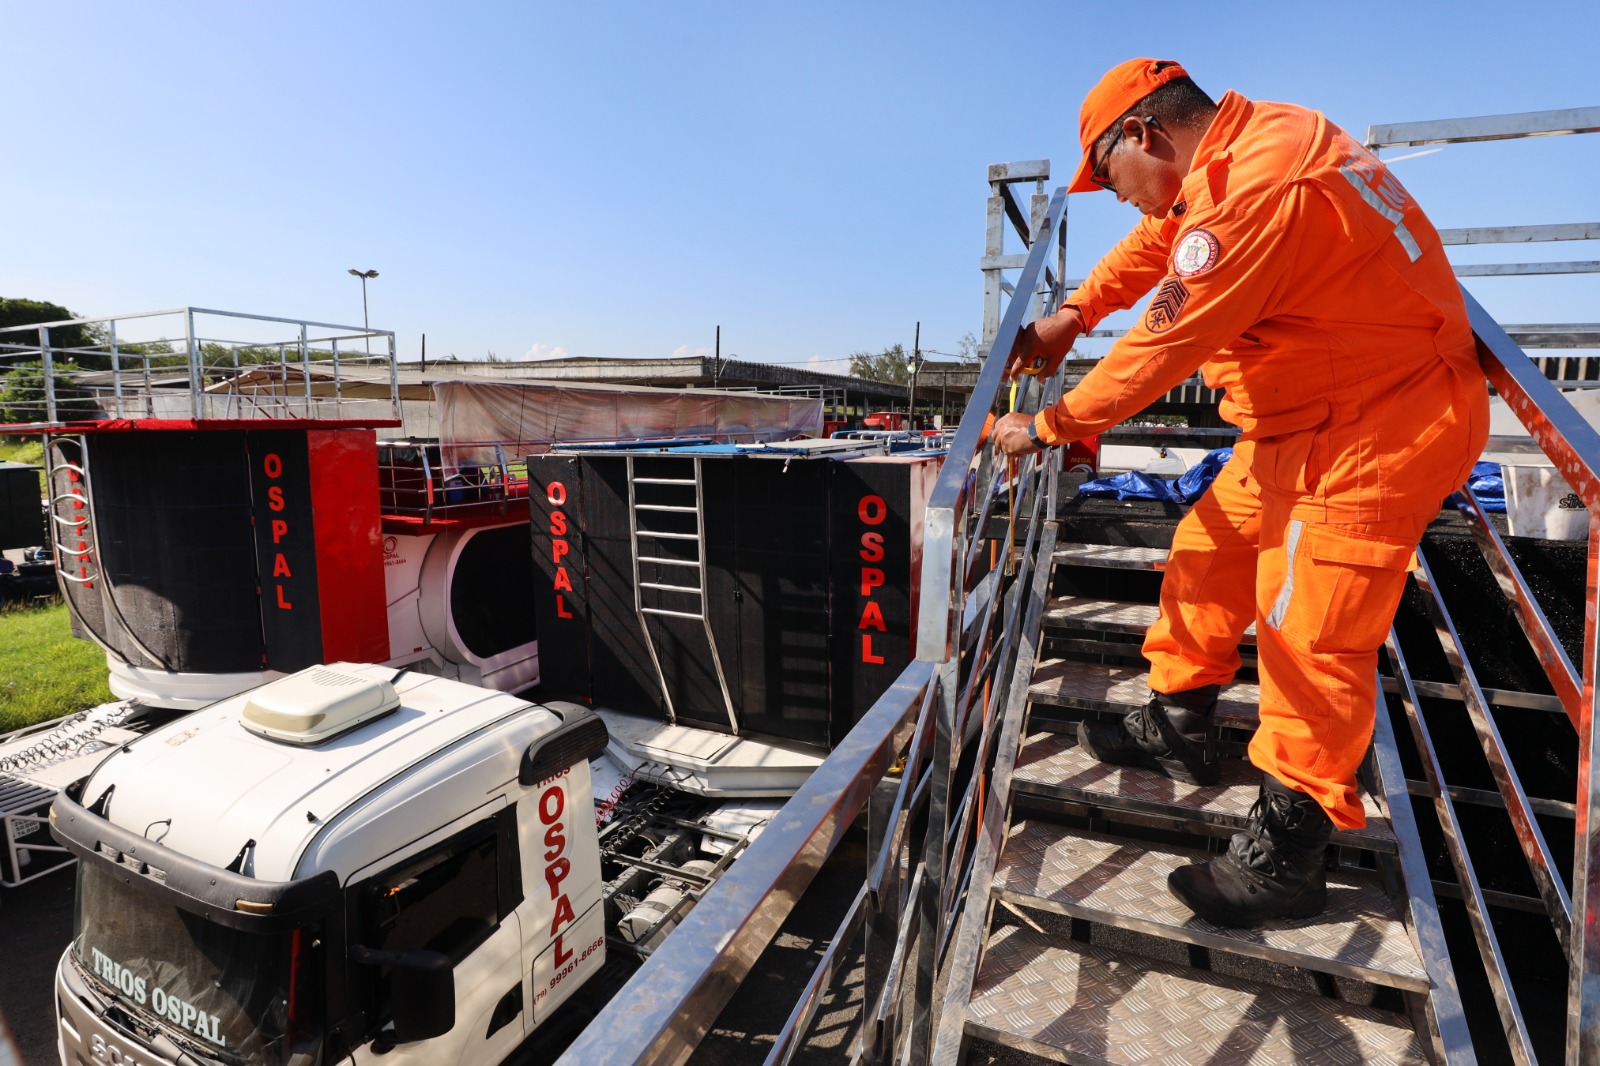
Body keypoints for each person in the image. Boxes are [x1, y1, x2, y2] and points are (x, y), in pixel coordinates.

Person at [990, 58, 1488, 927]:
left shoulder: (1261, 185)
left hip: (1376, 426)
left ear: (1145, 135)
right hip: (1309, 416)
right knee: (1208, 549)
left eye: (1110, 177)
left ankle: (1287, 849)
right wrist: (1078, 311)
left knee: (1309, 635)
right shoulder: (1239, 150)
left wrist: (1045, 427)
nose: (1118, 198)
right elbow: (1163, 242)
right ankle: (1178, 719)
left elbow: (1161, 344)